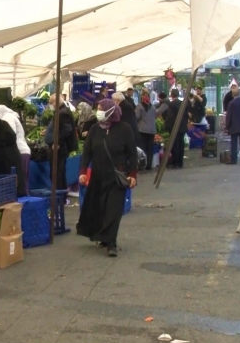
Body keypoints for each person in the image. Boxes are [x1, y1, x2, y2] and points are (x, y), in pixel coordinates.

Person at [77, 99, 138, 257]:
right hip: (98, 176)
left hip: (117, 177)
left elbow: (132, 153)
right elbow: (87, 152)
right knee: (100, 208)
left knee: (113, 210)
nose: (98, 112)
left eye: (101, 109)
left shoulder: (125, 129)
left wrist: (133, 175)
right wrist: (83, 172)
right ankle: (103, 237)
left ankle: (111, 242)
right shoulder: (95, 129)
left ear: (111, 111)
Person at [44, 94, 76, 192]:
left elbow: (67, 129)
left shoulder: (63, 113)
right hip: (61, 146)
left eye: (51, 102)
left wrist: (57, 142)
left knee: (57, 172)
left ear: (55, 102)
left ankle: (60, 195)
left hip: (61, 147)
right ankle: (60, 195)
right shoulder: (62, 111)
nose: (50, 105)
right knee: (58, 171)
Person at [0, 105, 31, 191]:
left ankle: (24, 200)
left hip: (20, 151)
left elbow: (11, 134)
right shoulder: (10, 117)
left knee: (20, 180)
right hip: (23, 151)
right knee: (22, 179)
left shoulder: (8, 117)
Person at [135, 91, 157, 170]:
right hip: (152, 130)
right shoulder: (153, 107)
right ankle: (149, 165)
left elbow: (136, 117)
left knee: (143, 147)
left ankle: (143, 164)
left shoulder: (139, 106)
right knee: (150, 148)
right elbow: (155, 117)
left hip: (143, 130)